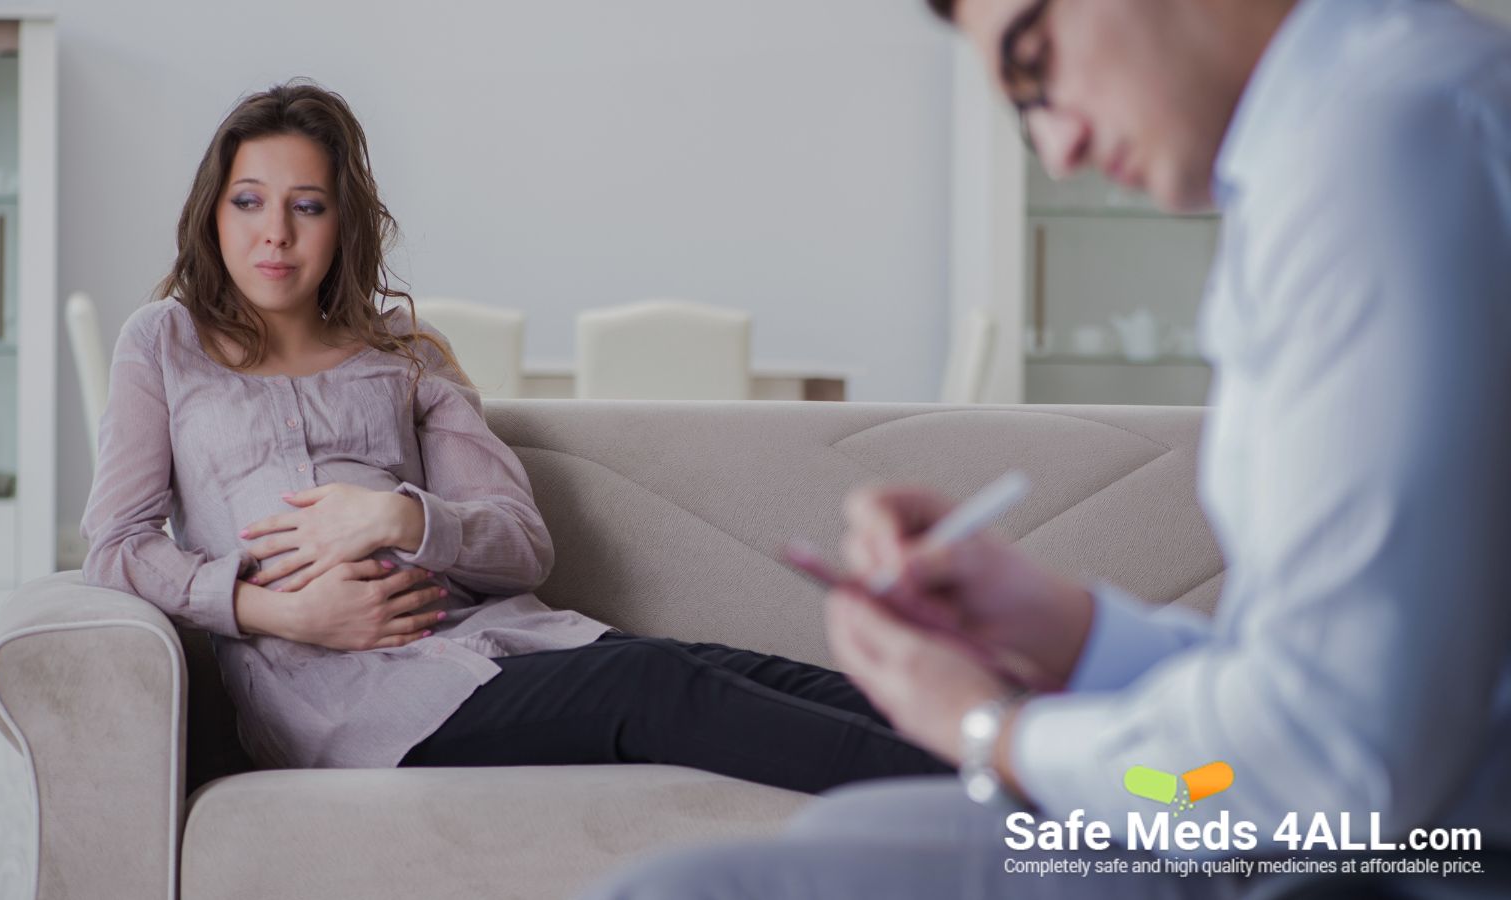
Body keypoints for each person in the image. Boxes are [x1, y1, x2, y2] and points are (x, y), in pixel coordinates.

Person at [582, 0, 1511, 896]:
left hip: (1415, 854)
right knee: (854, 832)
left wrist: (996, 732)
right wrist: (1061, 627)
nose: (1060, 149)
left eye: (1034, 59)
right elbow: (1314, 699)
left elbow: (1330, 764)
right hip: (1370, 820)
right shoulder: (1344, 138)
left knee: (693, 888)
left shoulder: (1384, 151)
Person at [80, 81, 950, 792]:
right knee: (659, 686)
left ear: (342, 224)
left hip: (496, 642)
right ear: (214, 211)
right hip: (345, 696)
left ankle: (1012, 732)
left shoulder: (404, 356)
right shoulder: (164, 343)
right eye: (249, 201)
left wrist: (394, 517)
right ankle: (1008, 805)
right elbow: (115, 547)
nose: (275, 231)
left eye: (307, 205)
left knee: (725, 668)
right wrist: (281, 610)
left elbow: (520, 543)